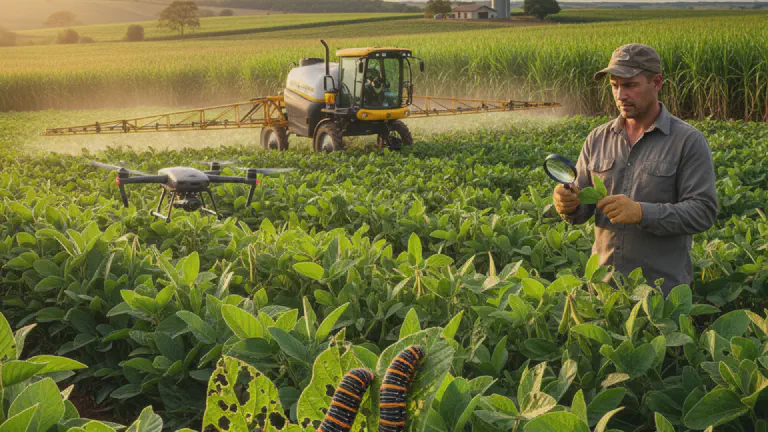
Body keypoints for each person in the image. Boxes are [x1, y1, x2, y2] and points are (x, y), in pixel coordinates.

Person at [553, 43, 718, 294]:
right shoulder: (597, 139)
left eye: (630, 85)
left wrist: (641, 212)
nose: (620, 95)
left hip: (661, 294)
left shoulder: (687, 141)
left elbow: (703, 211)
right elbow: (583, 205)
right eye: (614, 86)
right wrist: (568, 204)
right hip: (603, 291)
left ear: (657, 83)